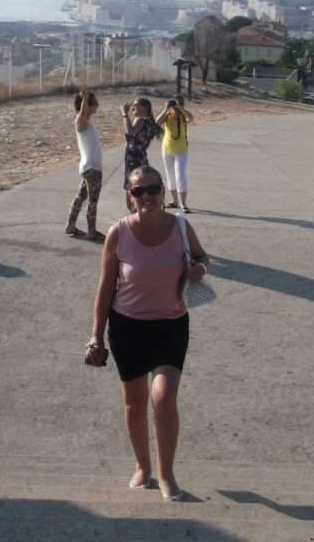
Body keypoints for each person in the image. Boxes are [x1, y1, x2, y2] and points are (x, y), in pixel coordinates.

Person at [85, 165, 209, 502]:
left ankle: (167, 474)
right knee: (134, 403)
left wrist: (199, 269)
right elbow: (105, 287)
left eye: (153, 189)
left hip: (171, 325)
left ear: (163, 192)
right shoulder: (118, 233)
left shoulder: (180, 227)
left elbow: (201, 257)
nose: (146, 196)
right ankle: (143, 467)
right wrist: (96, 335)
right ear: (130, 196)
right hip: (127, 327)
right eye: (138, 191)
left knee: (164, 398)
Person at [65, 85, 104, 241]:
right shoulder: (80, 121)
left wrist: (86, 100)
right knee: (93, 201)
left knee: (81, 197)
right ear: (87, 105)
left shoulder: (87, 122)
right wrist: (85, 99)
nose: (97, 104)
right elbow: (82, 112)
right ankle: (92, 231)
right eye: (94, 102)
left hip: (89, 167)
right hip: (92, 168)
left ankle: (70, 225)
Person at [119, 97, 162, 210]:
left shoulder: (140, 119)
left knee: (132, 186)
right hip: (142, 157)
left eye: (136, 105)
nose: (133, 107)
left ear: (144, 108)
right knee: (142, 185)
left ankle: (134, 211)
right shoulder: (151, 123)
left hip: (133, 158)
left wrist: (124, 114)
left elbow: (130, 131)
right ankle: (142, 210)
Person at [156, 97, 195, 213]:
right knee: (170, 175)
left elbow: (191, 118)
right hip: (167, 149)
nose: (174, 106)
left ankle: (183, 203)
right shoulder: (168, 115)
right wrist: (166, 109)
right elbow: (157, 122)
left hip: (181, 149)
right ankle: (174, 201)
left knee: (180, 175)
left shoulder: (183, 116)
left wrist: (180, 108)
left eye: (177, 103)